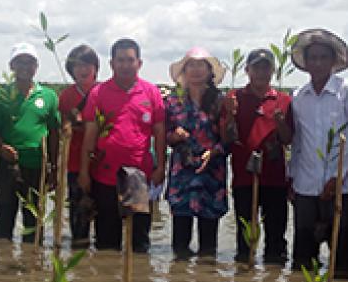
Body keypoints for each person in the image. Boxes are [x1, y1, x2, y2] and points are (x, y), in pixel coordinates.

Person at [79, 38, 166, 253]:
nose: (125, 65)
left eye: (130, 60)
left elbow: (159, 133)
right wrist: (83, 172)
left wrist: (161, 167)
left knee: (139, 242)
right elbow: (90, 135)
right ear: (111, 64)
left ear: (139, 63)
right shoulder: (99, 94)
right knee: (107, 243)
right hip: (106, 176)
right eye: (120, 60)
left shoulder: (151, 93)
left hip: (139, 178)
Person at [287, 28, 348, 274]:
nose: (318, 63)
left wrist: (336, 176)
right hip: (306, 184)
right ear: (305, 63)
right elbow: (298, 143)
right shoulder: (299, 97)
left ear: (333, 61)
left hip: (341, 185)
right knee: (303, 257)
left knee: (341, 255)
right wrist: (292, 177)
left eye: (323, 57)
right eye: (313, 58)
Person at [164, 47, 232, 259]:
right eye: (190, 65)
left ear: (210, 71)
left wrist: (214, 152)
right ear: (184, 71)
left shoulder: (221, 102)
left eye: (201, 65)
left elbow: (230, 140)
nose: (195, 70)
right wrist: (174, 136)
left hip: (211, 175)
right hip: (182, 176)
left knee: (208, 248)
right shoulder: (172, 102)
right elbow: (164, 136)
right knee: (180, 245)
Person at [0, 43, 59, 242]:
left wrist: (54, 167)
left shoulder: (49, 96)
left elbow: (54, 132)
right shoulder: (0, 97)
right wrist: (1, 148)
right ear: (12, 66)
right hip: (9, 166)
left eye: (30, 62)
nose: (25, 67)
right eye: (20, 62)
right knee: (5, 215)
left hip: (37, 167)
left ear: (36, 67)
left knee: (34, 220)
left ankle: (33, 266)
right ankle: (2, 265)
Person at [228, 49, 292, 264]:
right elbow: (227, 138)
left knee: (276, 239)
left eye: (266, 67)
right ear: (247, 70)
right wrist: (230, 115)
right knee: (245, 239)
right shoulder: (233, 98)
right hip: (244, 178)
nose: (261, 72)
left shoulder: (283, 100)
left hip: (274, 179)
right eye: (256, 67)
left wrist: (281, 122)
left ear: (273, 70)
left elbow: (288, 139)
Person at [58, 45, 99, 248]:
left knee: (103, 217)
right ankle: (79, 257)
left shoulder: (103, 92)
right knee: (78, 216)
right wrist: (69, 125)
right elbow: (62, 126)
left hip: (101, 164)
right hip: (75, 164)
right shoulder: (66, 96)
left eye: (87, 65)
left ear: (95, 67)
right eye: (77, 66)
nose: (83, 70)